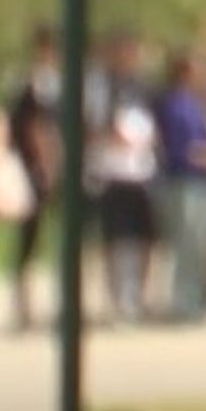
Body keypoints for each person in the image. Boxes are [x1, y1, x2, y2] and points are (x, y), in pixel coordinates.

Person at [87, 30, 160, 323]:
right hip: (112, 170)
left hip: (141, 170)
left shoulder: (142, 87)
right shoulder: (99, 85)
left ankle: (138, 297)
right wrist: (108, 134)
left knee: (144, 238)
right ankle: (117, 298)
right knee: (115, 238)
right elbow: (88, 124)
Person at [155, 50, 206, 322]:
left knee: (199, 242)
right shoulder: (173, 105)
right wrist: (204, 155)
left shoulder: (196, 104)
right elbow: (177, 147)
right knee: (186, 241)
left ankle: (194, 297)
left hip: (201, 181)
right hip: (182, 179)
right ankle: (182, 300)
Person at [6, 26, 61, 331]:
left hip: (53, 165)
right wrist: (46, 164)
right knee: (30, 234)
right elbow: (35, 127)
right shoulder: (33, 84)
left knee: (45, 237)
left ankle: (37, 301)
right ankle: (23, 303)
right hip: (34, 167)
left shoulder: (56, 83)